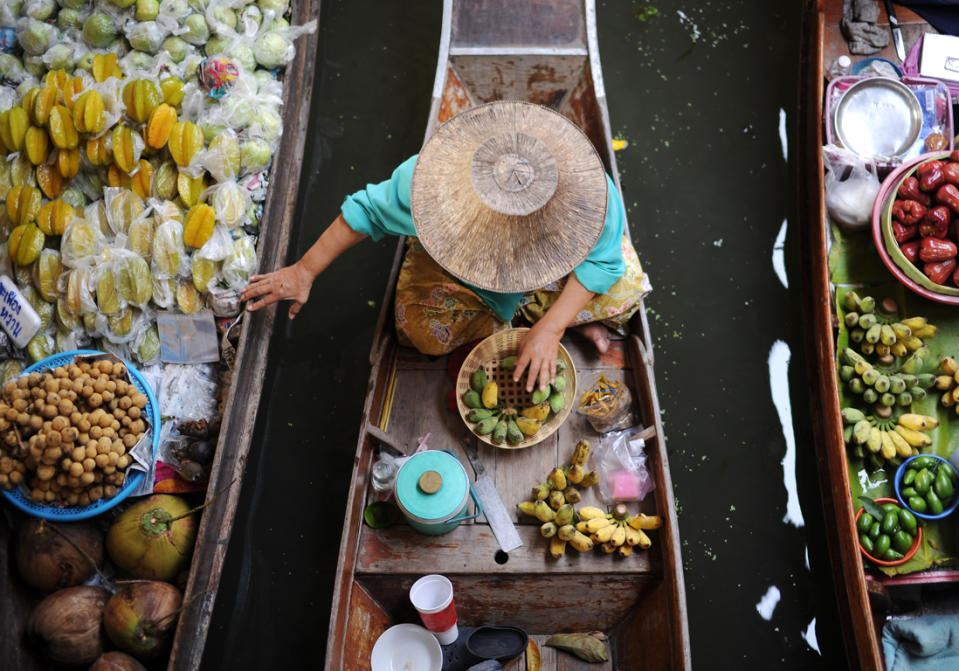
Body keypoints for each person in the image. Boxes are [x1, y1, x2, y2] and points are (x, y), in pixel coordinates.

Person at [241, 101, 651, 392]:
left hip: (552, 270)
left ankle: (555, 317)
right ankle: (540, 316)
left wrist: (551, 327)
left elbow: (603, 263)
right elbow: (366, 211)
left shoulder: (588, 192)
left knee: (627, 288)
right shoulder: (430, 186)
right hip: (467, 271)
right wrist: (305, 270)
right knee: (423, 335)